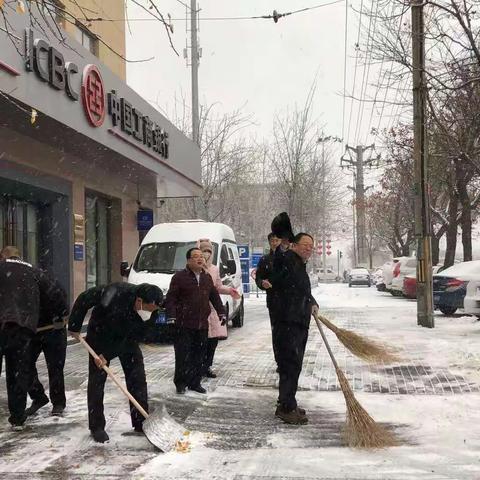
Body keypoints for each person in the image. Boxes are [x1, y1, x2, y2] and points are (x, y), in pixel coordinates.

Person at [68, 282, 163, 443]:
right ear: (140, 301)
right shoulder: (115, 293)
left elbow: (137, 336)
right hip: (100, 334)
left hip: (127, 339)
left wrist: (109, 354)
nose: (150, 313)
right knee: (97, 381)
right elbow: (84, 298)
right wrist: (75, 325)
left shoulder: (152, 310)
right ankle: (96, 426)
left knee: (137, 377)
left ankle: (141, 421)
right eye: (149, 309)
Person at [0, 246, 57, 430]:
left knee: (17, 370)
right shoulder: (34, 271)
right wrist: (60, 314)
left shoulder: (1, 268)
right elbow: (55, 293)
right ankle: (17, 416)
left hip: (2, 324)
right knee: (17, 371)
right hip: (23, 328)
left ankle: (28, 405)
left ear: (3, 256)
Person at [269, 232, 318, 425]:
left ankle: (288, 401)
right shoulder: (288, 260)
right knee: (289, 365)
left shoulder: (299, 265)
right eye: (305, 244)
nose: (308, 249)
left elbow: (301, 291)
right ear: (294, 245)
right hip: (288, 322)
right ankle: (286, 408)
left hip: (297, 321)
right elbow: (279, 262)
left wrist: (311, 302)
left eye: (311, 246)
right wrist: (283, 241)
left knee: (293, 365)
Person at [165, 247, 226, 395]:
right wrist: (171, 316)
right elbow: (171, 299)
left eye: (201, 257)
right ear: (188, 260)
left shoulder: (206, 277)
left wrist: (221, 312)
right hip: (183, 323)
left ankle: (195, 382)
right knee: (182, 355)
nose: (200, 259)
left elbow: (214, 296)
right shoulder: (179, 277)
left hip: (201, 324)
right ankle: (180, 383)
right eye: (196, 256)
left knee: (199, 354)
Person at [26, 277, 69, 417]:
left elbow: (63, 307)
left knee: (55, 367)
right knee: (24, 363)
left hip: (55, 329)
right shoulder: (21, 287)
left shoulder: (48, 285)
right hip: (33, 331)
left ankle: (58, 402)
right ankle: (38, 397)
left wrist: (61, 319)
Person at [198, 239, 240, 378]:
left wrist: (230, 291)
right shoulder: (196, 268)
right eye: (204, 250)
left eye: (209, 251)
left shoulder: (214, 269)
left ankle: (207, 366)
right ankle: (198, 366)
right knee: (200, 340)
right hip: (198, 310)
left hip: (212, 309)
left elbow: (217, 287)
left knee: (212, 341)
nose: (206, 254)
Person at [255, 233, 281, 367]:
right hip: (274, 302)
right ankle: (279, 361)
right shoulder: (265, 259)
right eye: (272, 241)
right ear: (269, 243)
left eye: (277, 240)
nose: (275, 243)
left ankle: (289, 360)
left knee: (290, 333)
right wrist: (262, 283)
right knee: (277, 333)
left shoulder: (290, 258)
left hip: (290, 302)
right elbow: (258, 277)